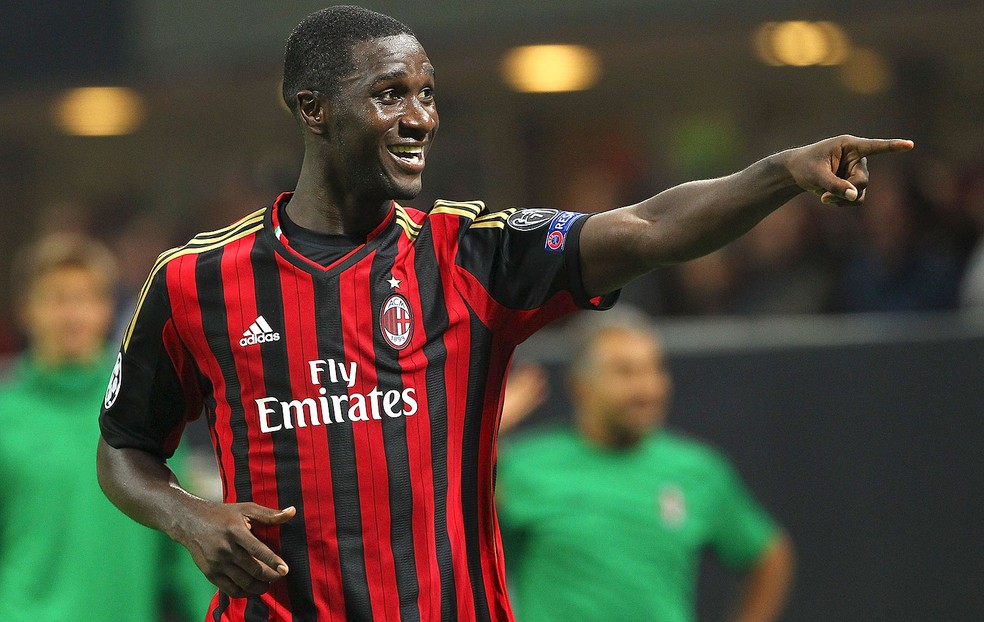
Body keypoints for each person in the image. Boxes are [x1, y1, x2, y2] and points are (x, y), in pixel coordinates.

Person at [95, 5, 912, 621]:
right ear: (314, 109)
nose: (421, 118)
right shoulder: (196, 280)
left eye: (426, 94)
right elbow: (124, 449)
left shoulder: (470, 254)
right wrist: (189, 517)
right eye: (389, 95)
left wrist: (778, 174)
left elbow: (649, 228)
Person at [495, 308, 794, 622]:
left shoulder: (698, 471)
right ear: (579, 386)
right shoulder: (521, 466)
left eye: (655, 369)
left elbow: (768, 557)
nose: (647, 389)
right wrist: (487, 428)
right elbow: (460, 531)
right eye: (625, 372)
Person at [0, 233, 212, 621]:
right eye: (56, 299)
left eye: (85, 298)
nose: (72, 315)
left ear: (107, 309)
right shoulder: (5, 414)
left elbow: (185, 545)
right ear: (26, 310)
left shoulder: (145, 410)